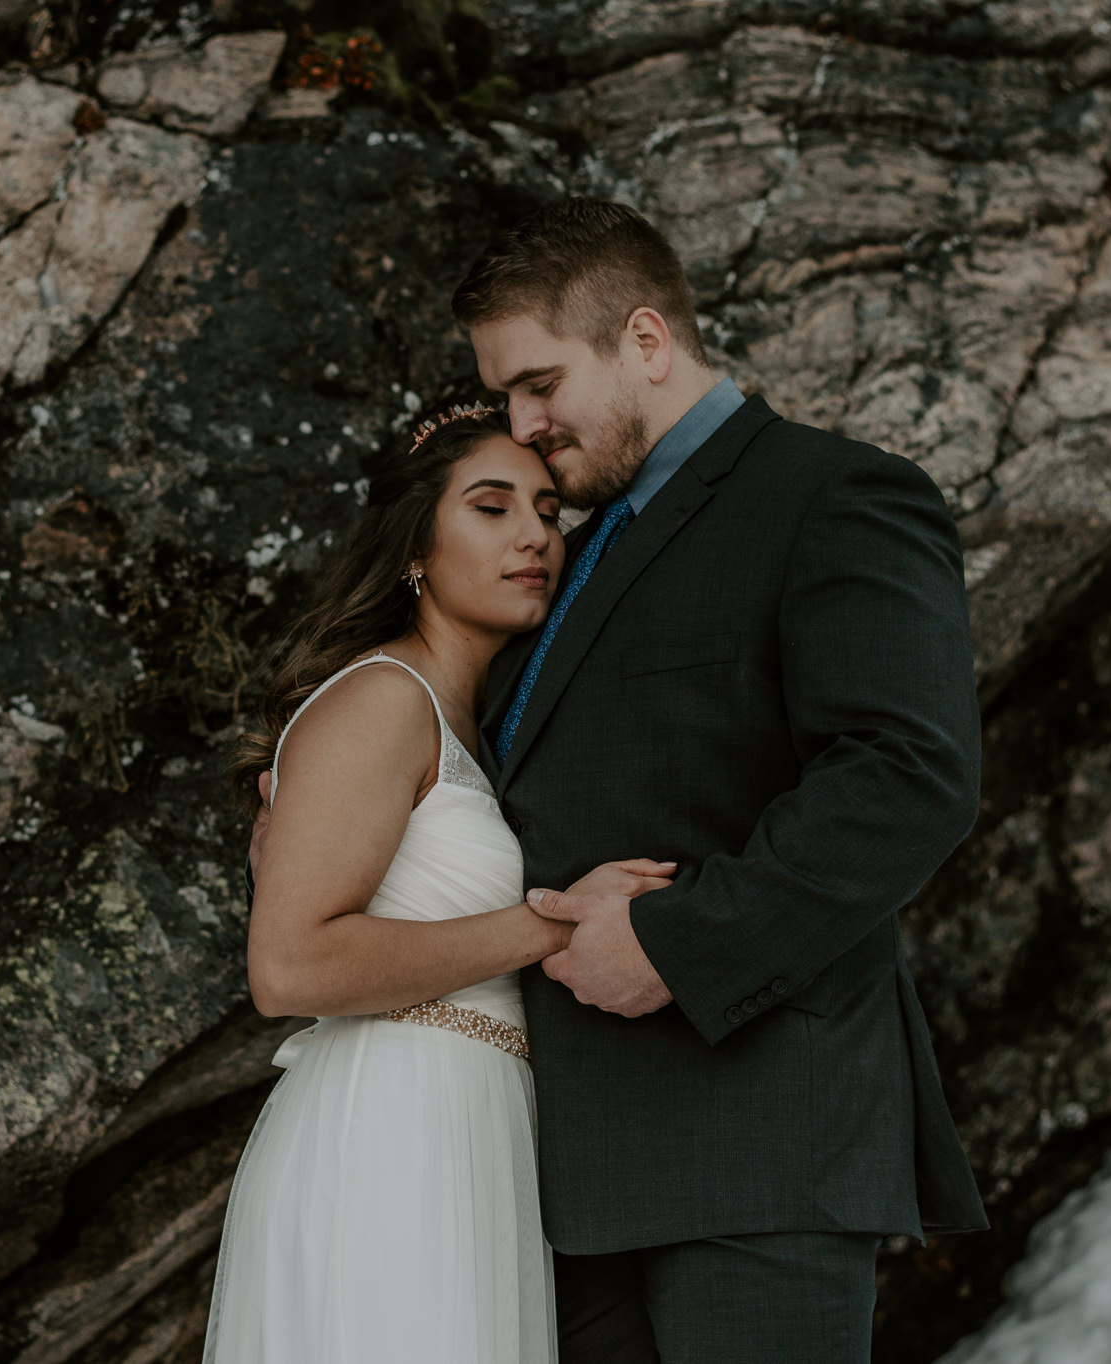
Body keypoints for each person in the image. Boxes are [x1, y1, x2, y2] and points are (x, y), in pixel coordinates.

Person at [452, 198, 988, 1361]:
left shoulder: (834, 495)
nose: (520, 422)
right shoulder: (578, 545)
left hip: (753, 1148)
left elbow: (910, 773)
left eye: (539, 383)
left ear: (645, 341)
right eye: (503, 394)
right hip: (571, 1170)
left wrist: (674, 941)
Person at [203, 405, 674, 1363]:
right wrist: (554, 925)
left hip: (474, 1129)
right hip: (388, 1131)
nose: (534, 536)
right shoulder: (380, 698)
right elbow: (288, 966)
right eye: (491, 509)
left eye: (547, 510)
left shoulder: (477, 721)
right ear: (416, 546)